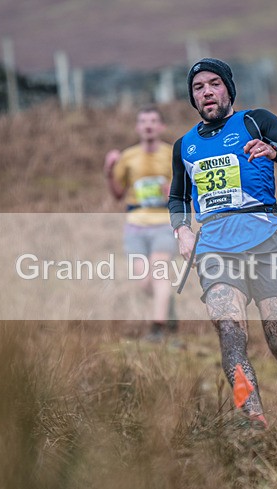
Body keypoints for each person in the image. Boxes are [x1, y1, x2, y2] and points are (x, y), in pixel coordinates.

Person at [168, 58, 277, 427]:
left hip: (267, 242)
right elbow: (177, 197)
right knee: (230, 334)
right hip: (215, 249)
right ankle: (253, 420)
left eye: (214, 83)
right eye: (198, 88)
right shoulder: (184, 146)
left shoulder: (257, 121)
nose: (207, 92)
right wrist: (182, 230)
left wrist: (275, 152)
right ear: (193, 98)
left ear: (228, 88)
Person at [105, 105, 177, 342]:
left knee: (159, 271)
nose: (148, 125)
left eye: (153, 121)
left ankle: (158, 328)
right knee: (144, 282)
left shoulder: (172, 154)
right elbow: (118, 194)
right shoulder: (128, 157)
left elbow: (185, 188)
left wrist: (173, 191)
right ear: (137, 127)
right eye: (144, 121)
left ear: (161, 126)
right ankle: (167, 304)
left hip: (163, 222)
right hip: (135, 225)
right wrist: (109, 172)